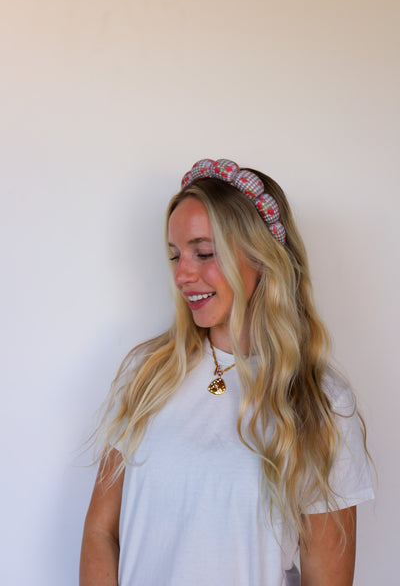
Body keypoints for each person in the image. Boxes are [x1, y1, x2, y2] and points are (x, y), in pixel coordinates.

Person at [80, 158, 374, 586]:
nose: (182, 274)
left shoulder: (321, 402)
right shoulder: (149, 374)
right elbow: (101, 533)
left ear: (261, 256)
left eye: (204, 252)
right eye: (175, 255)